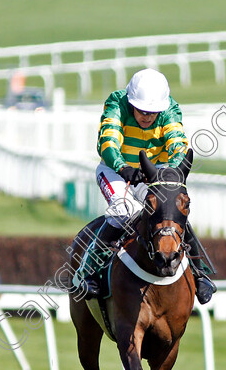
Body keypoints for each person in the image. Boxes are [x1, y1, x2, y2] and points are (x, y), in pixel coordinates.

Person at [74, 68, 216, 304]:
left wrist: (173, 169)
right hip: (114, 171)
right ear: (131, 102)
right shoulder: (116, 103)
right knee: (123, 211)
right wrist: (122, 167)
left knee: (171, 211)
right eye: (142, 111)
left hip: (152, 174)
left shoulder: (170, 109)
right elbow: (107, 142)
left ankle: (201, 274)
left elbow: (177, 142)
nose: (147, 117)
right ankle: (87, 272)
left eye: (153, 112)